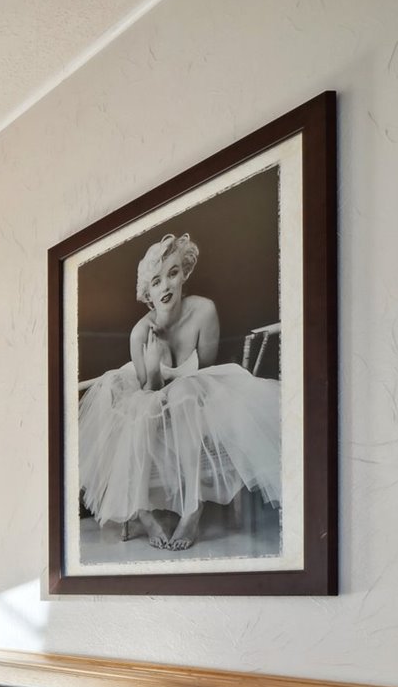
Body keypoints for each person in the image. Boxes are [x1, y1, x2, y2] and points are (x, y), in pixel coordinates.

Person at [76, 233, 282, 551]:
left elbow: (206, 374)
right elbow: (150, 389)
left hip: (192, 396)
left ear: (184, 273)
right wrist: (155, 365)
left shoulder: (204, 312)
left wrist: (177, 385)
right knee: (143, 409)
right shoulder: (139, 333)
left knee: (185, 391)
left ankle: (192, 509)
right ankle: (143, 511)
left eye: (173, 273)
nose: (167, 287)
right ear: (148, 295)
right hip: (149, 391)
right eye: (156, 282)